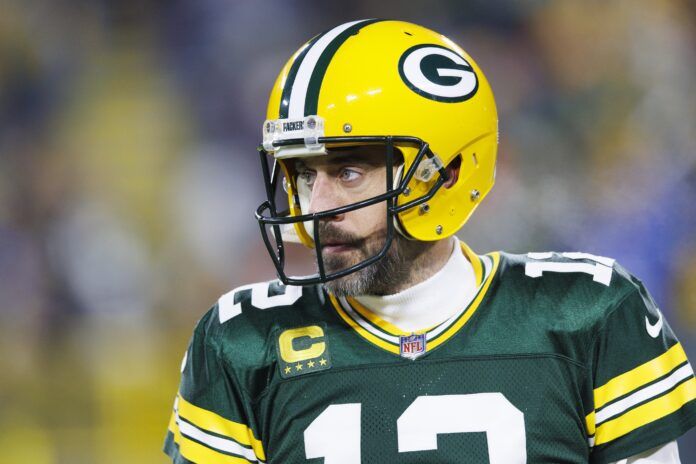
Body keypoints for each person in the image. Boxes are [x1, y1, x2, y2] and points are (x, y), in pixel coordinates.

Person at [163, 19, 695, 463]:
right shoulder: (242, 341)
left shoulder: (589, 313)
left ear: (447, 172)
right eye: (302, 174)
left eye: (348, 172)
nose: (317, 206)